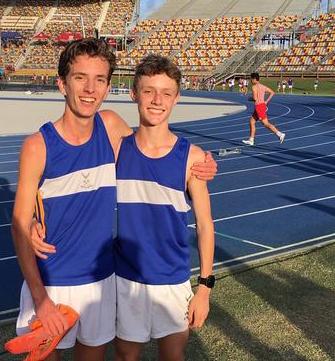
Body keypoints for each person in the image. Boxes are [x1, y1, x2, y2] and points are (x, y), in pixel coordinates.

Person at [11, 39, 217, 361]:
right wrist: (40, 298)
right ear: (62, 83)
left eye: (100, 80)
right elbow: (19, 223)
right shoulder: (38, 146)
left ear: (109, 86)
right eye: (80, 77)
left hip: (103, 280)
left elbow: (154, 147)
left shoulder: (109, 128)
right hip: (53, 280)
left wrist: (204, 162)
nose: (90, 88)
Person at [113, 55, 215, 361]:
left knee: (172, 356)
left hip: (172, 280)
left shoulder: (192, 158)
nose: (157, 100)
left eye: (166, 93)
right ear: (133, 94)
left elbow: (206, 224)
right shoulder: (117, 147)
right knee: (125, 356)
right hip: (125, 278)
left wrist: (204, 290)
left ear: (177, 98)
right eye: (148, 91)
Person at [242, 72, 285, 146]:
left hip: (259, 107)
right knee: (252, 121)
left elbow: (255, 98)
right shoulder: (263, 86)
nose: (251, 81)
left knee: (265, 123)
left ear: (254, 79)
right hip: (261, 105)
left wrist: (250, 99)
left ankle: (280, 134)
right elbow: (272, 92)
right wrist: (266, 101)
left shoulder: (254, 87)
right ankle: (251, 140)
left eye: (251, 79)